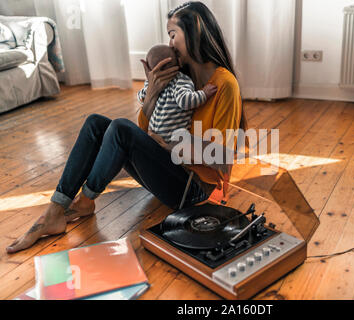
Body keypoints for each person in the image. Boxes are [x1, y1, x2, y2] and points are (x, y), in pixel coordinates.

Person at [6, 1, 247, 254]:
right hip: (171, 169)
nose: (170, 43)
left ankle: (84, 202)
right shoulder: (178, 77)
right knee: (96, 124)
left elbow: (222, 158)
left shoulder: (224, 85)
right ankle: (58, 207)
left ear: (195, 31)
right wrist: (152, 92)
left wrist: (172, 144)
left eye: (173, 34)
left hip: (195, 191)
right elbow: (145, 130)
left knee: (120, 129)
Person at [139, 44, 217, 143]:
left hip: (171, 142)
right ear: (178, 62)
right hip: (154, 137)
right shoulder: (180, 81)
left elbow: (185, 102)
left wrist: (203, 94)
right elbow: (186, 101)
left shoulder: (179, 80)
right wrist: (203, 94)